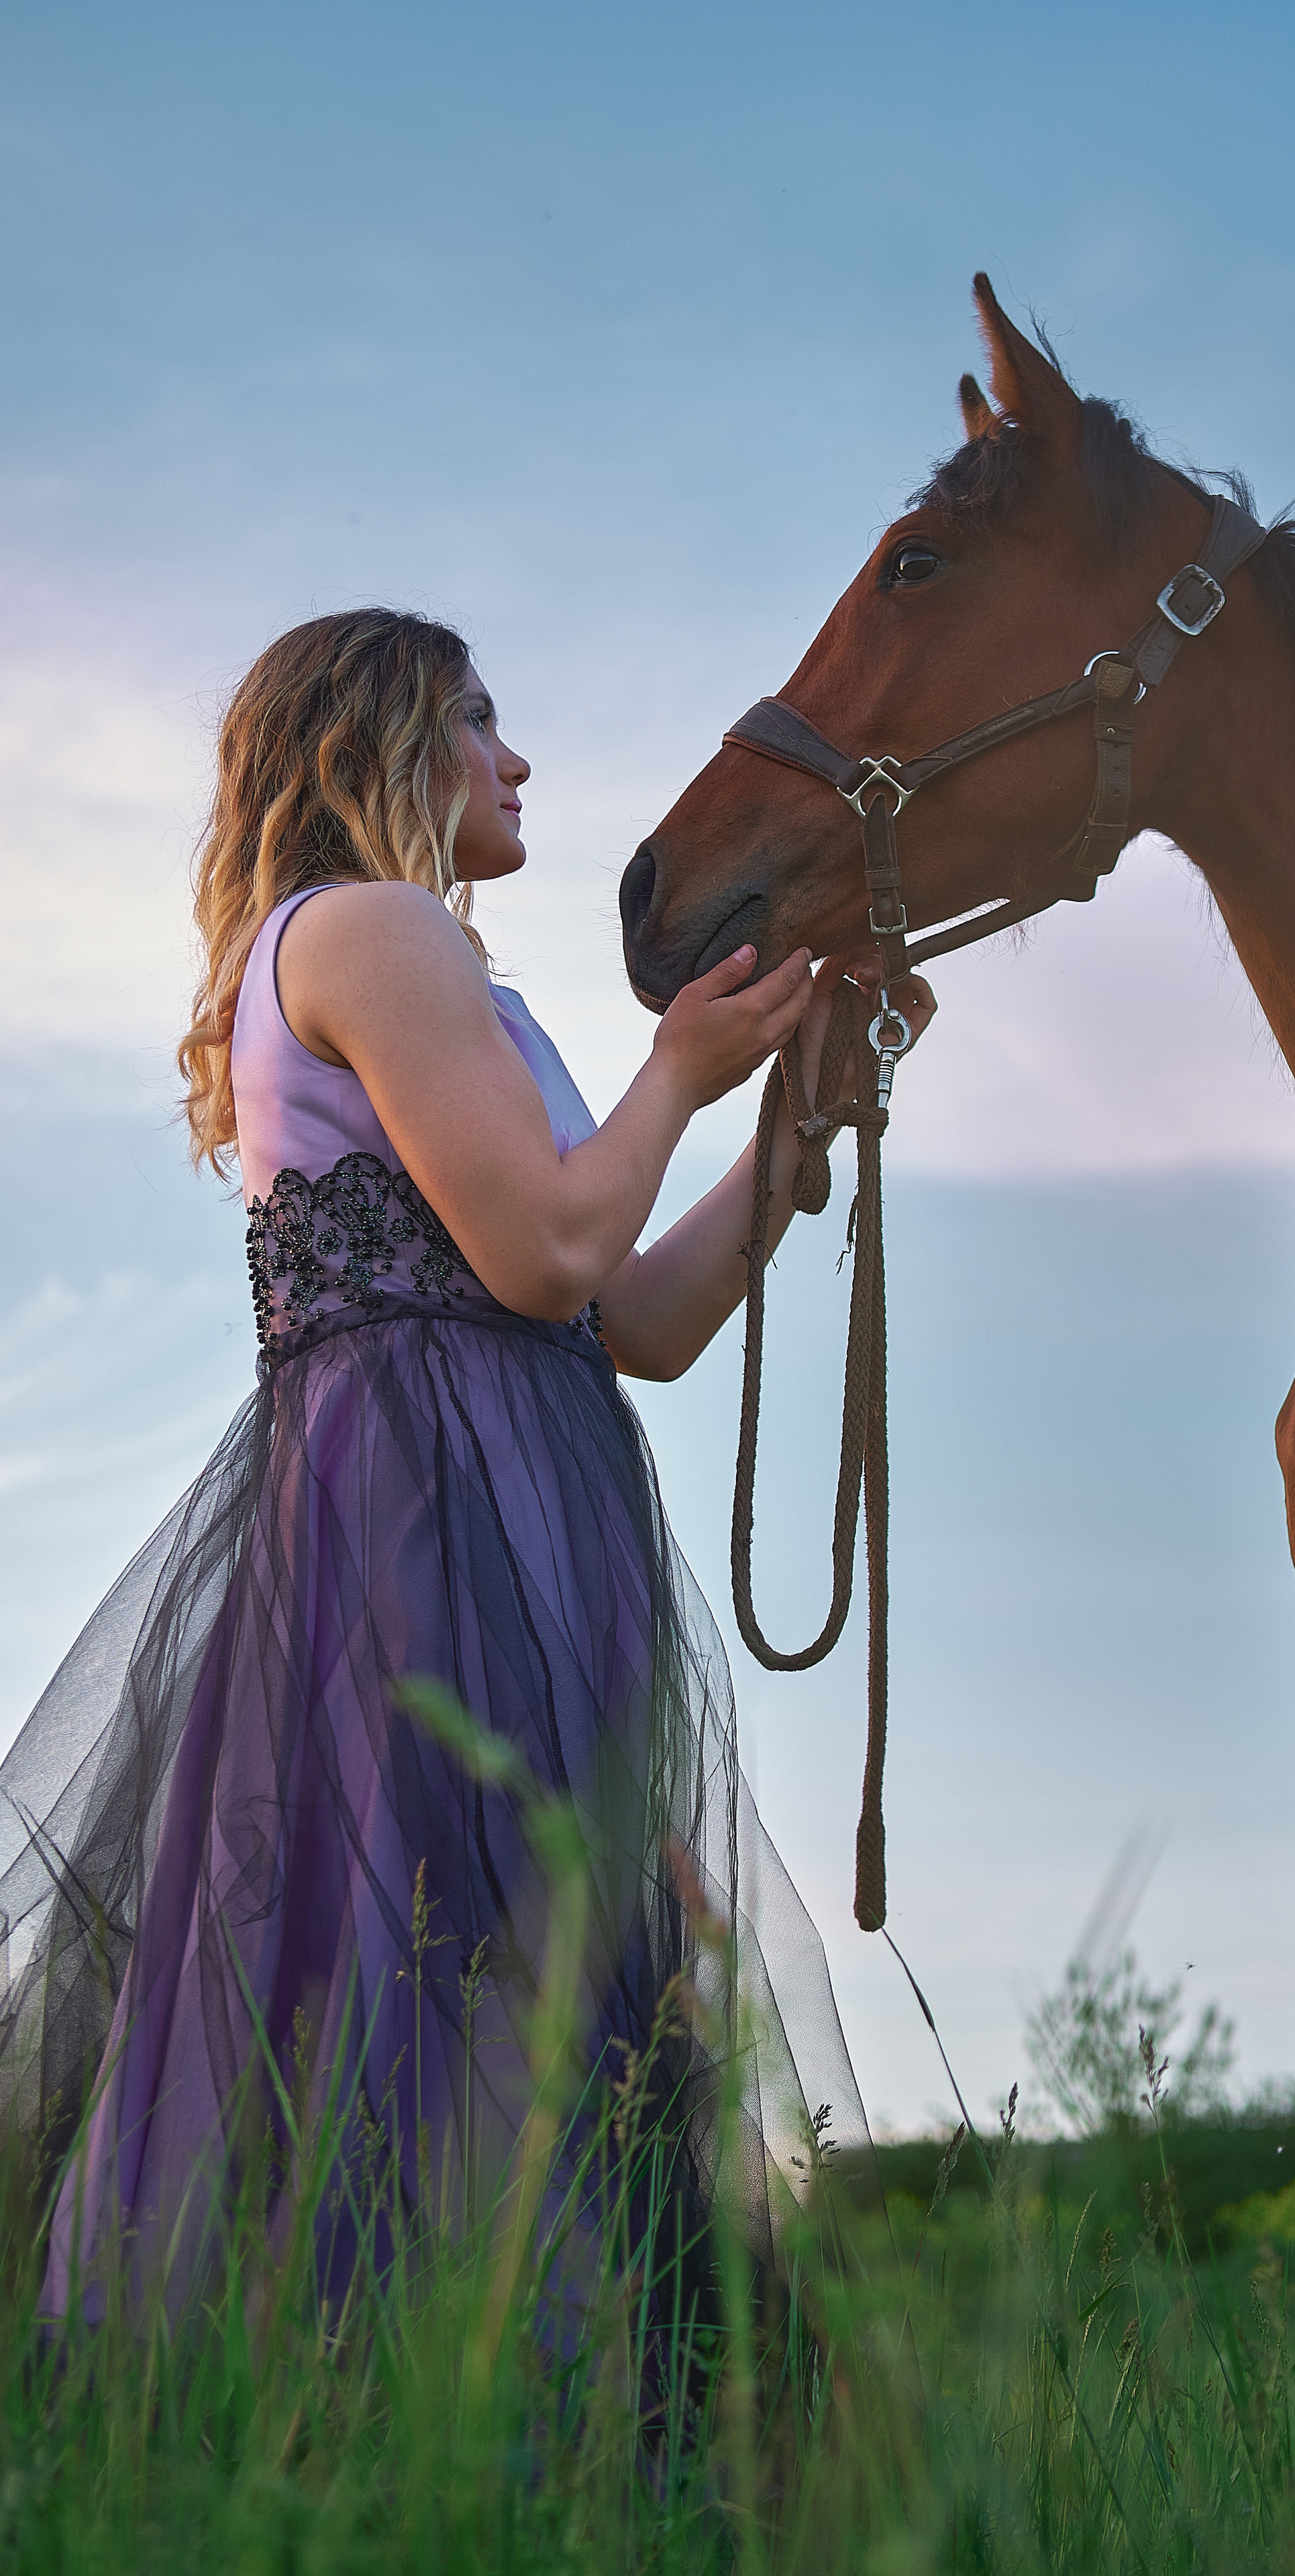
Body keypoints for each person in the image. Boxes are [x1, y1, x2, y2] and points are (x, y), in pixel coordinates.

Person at [0, 607, 933, 2328]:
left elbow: (633, 1317)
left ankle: (452, 2408)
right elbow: (551, 1256)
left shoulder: (445, 979)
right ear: (381, 743)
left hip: (510, 1495)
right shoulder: (372, 932)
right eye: (480, 722)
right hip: (435, 1514)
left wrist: (787, 1126)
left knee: (484, 1965)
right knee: (463, 1954)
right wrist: (678, 1067)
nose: (518, 762)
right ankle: (469, 2401)